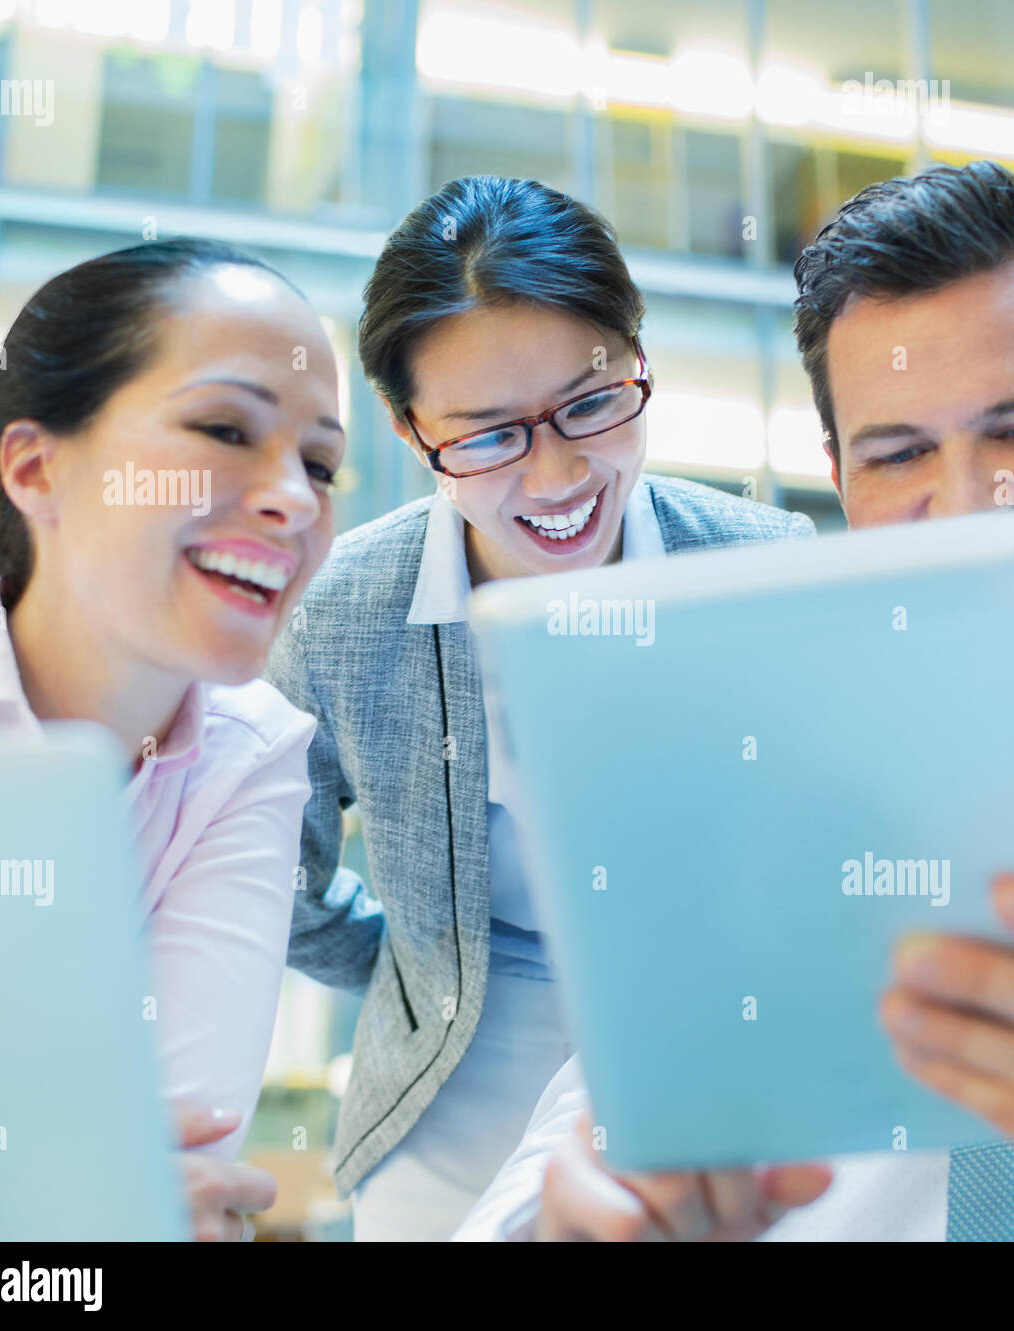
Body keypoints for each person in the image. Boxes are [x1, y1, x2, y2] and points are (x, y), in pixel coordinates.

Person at [454, 160, 1014, 1242]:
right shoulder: (744, 814)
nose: (968, 506)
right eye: (901, 453)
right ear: (839, 479)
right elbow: (551, 1181)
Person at [263, 174, 819, 1240]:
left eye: (592, 404)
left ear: (639, 360)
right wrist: (421, 966)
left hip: (703, 1038)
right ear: (407, 425)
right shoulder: (345, 612)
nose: (559, 472)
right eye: (486, 436)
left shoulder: (759, 568)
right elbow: (275, 875)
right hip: (449, 1066)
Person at [0, 237, 347, 1241]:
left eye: (321, 462)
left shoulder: (253, 747)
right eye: (224, 426)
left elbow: (182, 1155)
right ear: (37, 468)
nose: (295, 498)